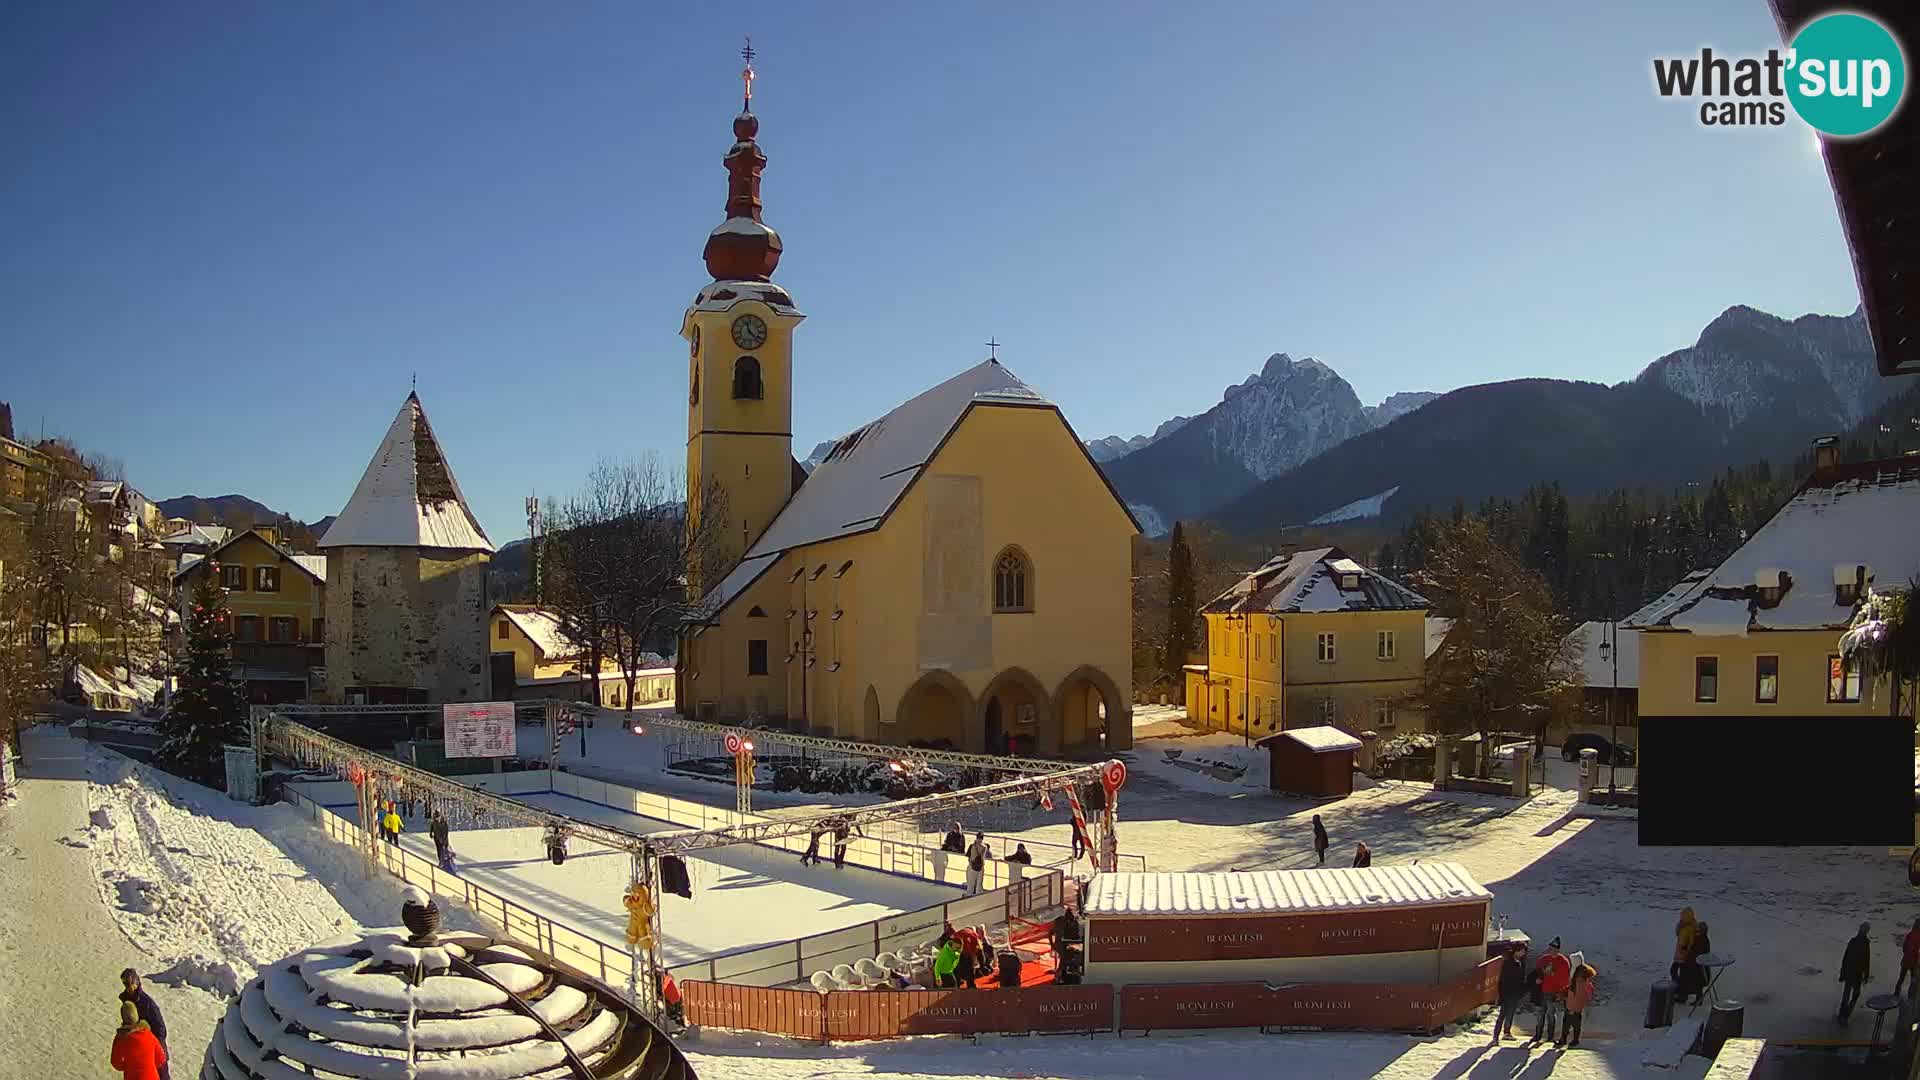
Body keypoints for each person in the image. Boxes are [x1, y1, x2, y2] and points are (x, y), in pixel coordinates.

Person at [119, 970, 169, 1080]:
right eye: (124, 983)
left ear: (136, 982)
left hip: (153, 1043)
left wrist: (154, 1043)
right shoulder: (127, 999)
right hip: (139, 1045)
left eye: (128, 983)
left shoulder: (147, 1003)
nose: (126, 987)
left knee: (162, 1074)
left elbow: (161, 1028)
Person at [110, 1000, 167, 1080]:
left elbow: (115, 1063)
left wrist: (128, 1067)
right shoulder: (148, 1034)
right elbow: (161, 1058)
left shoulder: (120, 1038)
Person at [1532, 937, 1571, 1044]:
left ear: (1558, 950)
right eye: (1550, 949)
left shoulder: (1563, 962)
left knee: (1550, 1014)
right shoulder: (1543, 959)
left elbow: (1565, 979)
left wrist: (1560, 992)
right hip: (1542, 991)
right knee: (1540, 1014)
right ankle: (1538, 1034)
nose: (1552, 951)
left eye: (1554, 949)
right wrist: (1537, 980)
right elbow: (1536, 972)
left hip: (1553, 992)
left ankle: (1550, 1036)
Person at [1494, 942, 1529, 1041]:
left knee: (1511, 1013)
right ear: (1517, 951)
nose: (1523, 953)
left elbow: (1521, 979)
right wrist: (1501, 994)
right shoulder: (1508, 962)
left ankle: (1507, 1032)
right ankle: (1496, 1036)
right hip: (1507, 992)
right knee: (1503, 1014)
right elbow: (1503, 979)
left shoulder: (1520, 962)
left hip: (1515, 992)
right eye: (1522, 951)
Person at [1839, 921, 1872, 1022]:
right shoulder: (1863, 943)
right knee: (1852, 995)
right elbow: (1866, 960)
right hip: (1855, 973)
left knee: (1848, 994)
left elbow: (1846, 958)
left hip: (1852, 972)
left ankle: (1843, 1014)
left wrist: (1842, 973)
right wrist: (1865, 975)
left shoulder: (1855, 941)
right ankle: (1845, 1014)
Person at [1559, 964, 1596, 1048]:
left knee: (1567, 1024)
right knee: (1575, 1025)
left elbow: (1577, 996)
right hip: (1575, 1007)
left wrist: (1572, 1008)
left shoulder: (1579, 981)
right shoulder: (1584, 981)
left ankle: (1565, 1040)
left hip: (1572, 1006)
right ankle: (1573, 1040)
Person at [1677, 921, 1712, 1006]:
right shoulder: (1697, 938)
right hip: (1692, 965)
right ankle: (1683, 996)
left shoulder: (1703, 940)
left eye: (1699, 929)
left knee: (1697, 982)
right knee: (1684, 972)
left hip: (1699, 967)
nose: (1697, 930)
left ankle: (1697, 999)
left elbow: (1699, 954)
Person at [1672, 907, 1697, 985]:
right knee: (1674, 970)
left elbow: (1692, 942)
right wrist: (1680, 925)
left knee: (1676, 971)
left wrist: (1686, 951)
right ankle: (1678, 987)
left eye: (1683, 916)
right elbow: (1677, 933)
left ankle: (1680, 989)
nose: (1681, 917)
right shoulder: (1682, 926)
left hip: (1684, 955)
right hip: (1679, 953)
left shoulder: (1691, 928)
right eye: (1681, 915)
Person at [1895, 916, 1920, 997]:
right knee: (1913, 980)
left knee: (1901, 978)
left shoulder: (1910, 934)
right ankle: (1911, 995)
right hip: (1914, 962)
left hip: (1906, 960)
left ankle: (1896, 994)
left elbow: (1904, 948)